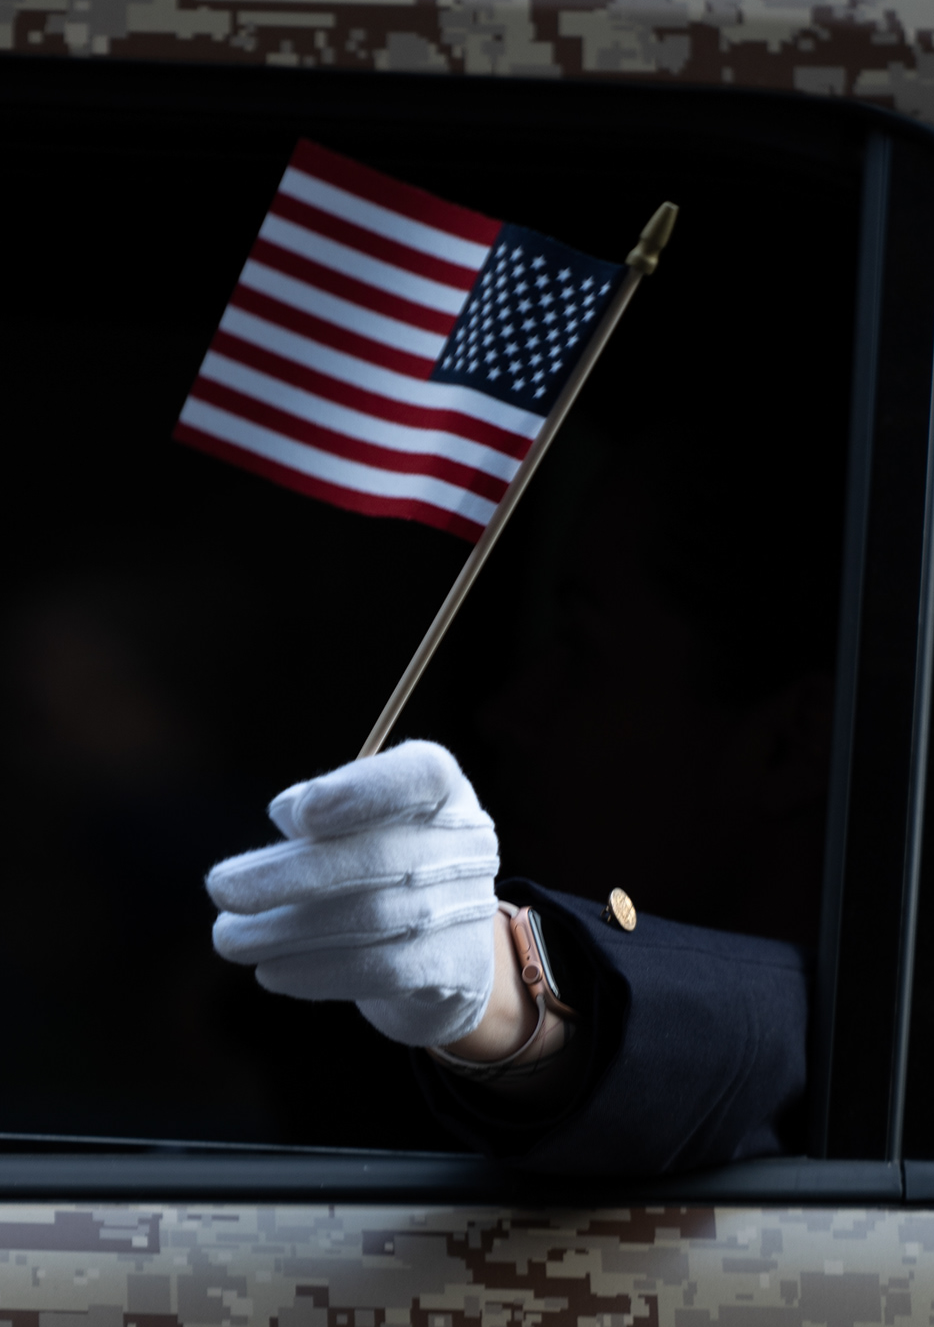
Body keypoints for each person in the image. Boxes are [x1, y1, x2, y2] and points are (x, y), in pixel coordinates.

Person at [206, 430, 833, 1172]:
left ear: (788, 745)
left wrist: (505, 988)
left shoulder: (915, 1054)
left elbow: (786, 1038)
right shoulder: (353, 1065)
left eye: (579, 645)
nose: (508, 711)